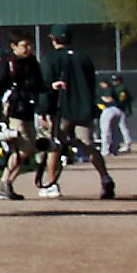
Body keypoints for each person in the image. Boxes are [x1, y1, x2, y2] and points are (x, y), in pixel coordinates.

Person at [39, 25, 116, 200]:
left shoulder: (50, 58)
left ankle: (52, 184)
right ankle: (105, 177)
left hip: (61, 110)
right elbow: (91, 83)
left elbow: (46, 85)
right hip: (83, 108)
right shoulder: (83, 57)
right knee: (89, 145)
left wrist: (43, 110)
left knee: (55, 147)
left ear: (54, 39)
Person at [0, 32, 43, 200]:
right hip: (12, 112)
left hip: (28, 111)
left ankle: (6, 182)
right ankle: (4, 181)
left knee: (29, 148)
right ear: (14, 47)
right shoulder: (6, 65)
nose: (28, 49)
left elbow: (38, 86)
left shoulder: (32, 64)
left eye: (30, 45)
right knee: (23, 148)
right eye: (24, 46)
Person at [99, 73, 134, 156]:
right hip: (118, 110)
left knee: (108, 130)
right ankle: (115, 149)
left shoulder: (118, 88)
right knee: (116, 130)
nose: (114, 82)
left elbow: (120, 99)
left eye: (116, 80)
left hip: (115, 109)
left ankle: (106, 150)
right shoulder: (113, 88)